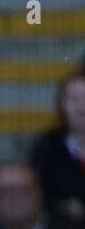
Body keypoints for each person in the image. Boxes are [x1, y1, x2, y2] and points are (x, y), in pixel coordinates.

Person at [30, 71, 85, 219]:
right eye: (74, 99)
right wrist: (62, 206)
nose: (81, 106)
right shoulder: (45, 147)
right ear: (62, 105)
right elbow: (35, 195)